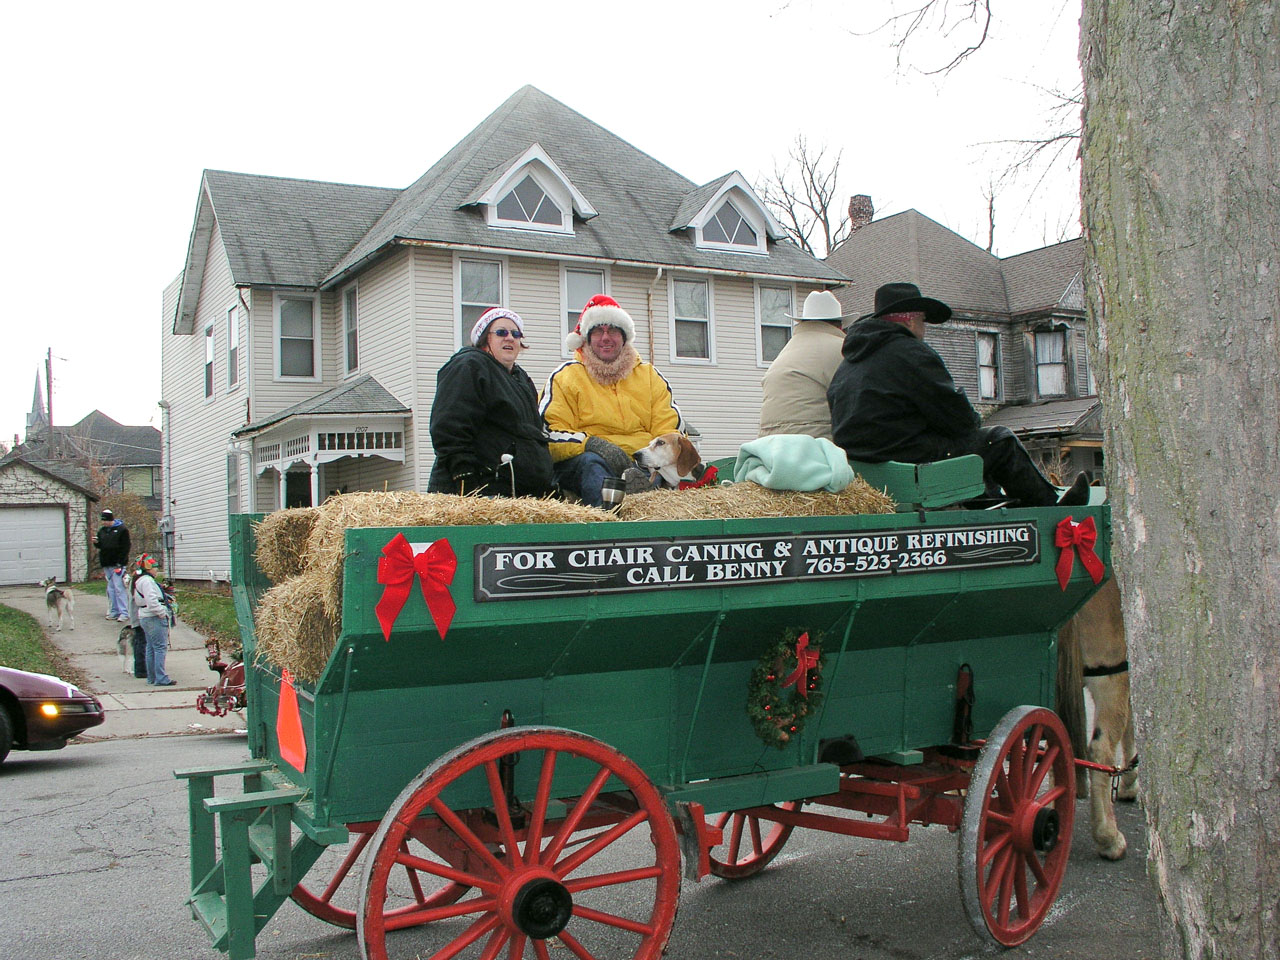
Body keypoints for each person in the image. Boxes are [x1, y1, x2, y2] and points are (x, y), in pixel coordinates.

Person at [827, 281, 1090, 507]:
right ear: (910, 319)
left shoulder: (849, 362)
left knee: (962, 447)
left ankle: (988, 501)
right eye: (922, 320)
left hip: (865, 464)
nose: (924, 327)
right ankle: (1050, 511)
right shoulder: (910, 353)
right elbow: (960, 419)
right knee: (997, 441)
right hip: (906, 460)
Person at [539, 295, 684, 506]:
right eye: (598, 331)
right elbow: (548, 433)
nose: (606, 337)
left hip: (643, 460)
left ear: (624, 337)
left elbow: (670, 429)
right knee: (592, 465)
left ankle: (646, 504)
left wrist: (648, 459)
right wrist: (594, 444)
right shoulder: (564, 377)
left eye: (613, 330)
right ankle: (609, 527)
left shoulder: (650, 376)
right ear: (586, 339)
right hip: (590, 462)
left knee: (664, 465)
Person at [428, 307, 556, 497]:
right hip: (479, 492)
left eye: (516, 333)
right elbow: (449, 427)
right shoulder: (469, 365)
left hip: (518, 495)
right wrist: (465, 478)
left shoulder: (522, 379)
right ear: (483, 340)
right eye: (501, 332)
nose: (510, 338)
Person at [759, 290, 853, 440]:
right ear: (840, 326)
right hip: (816, 444)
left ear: (802, 322)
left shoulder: (787, 350)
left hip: (769, 444)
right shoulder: (843, 349)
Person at [129, 553, 175, 685]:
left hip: (144, 616)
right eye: (154, 567)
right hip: (153, 616)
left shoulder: (138, 580)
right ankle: (161, 678)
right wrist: (162, 613)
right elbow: (152, 601)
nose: (156, 570)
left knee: (151, 647)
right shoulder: (147, 581)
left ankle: (152, 677)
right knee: (160, 647)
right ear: (148, 568)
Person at [93, 508, 131, 622]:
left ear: (111, 519)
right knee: (111, 589)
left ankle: (124, 612)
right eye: (103, 521)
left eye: (106, 520)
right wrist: (97, 543)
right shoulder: (102, 531)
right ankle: (114, 611)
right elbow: (102, 546)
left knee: (119, 588)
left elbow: (125, 547)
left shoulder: (122, 530)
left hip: (117, 564)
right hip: (107, 564)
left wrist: (120, 562)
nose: (104, 523)